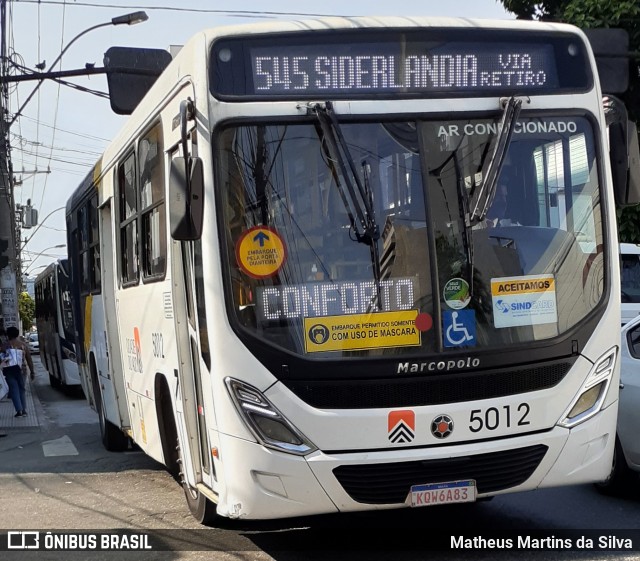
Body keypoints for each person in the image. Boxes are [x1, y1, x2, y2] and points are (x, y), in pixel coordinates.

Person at [1, 326, 34, 417]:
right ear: (17, 334)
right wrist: (32, 371)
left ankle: (18, 411)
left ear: (8, 335)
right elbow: (29, 359)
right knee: (21, 389)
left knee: (14, 389)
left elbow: (2, 359)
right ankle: (24, 411)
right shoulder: (23, 345)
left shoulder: (4, 346)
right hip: (22, 370)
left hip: (9, 370)